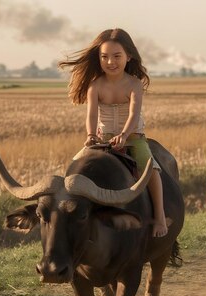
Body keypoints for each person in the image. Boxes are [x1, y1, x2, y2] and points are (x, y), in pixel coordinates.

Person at [59, 28, 167, 237]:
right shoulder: (95, 86)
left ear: (129, 56)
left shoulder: (134, 84)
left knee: (150, 169)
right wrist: (91, 136)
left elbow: (134, 115)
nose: (110, 62)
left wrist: (125, 135)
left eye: (117, 56)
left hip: (133, 139)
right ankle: (67, 217)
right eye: (104, 57)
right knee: (74, 168)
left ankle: (160, 217)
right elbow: (91, 116)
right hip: (102, 141)